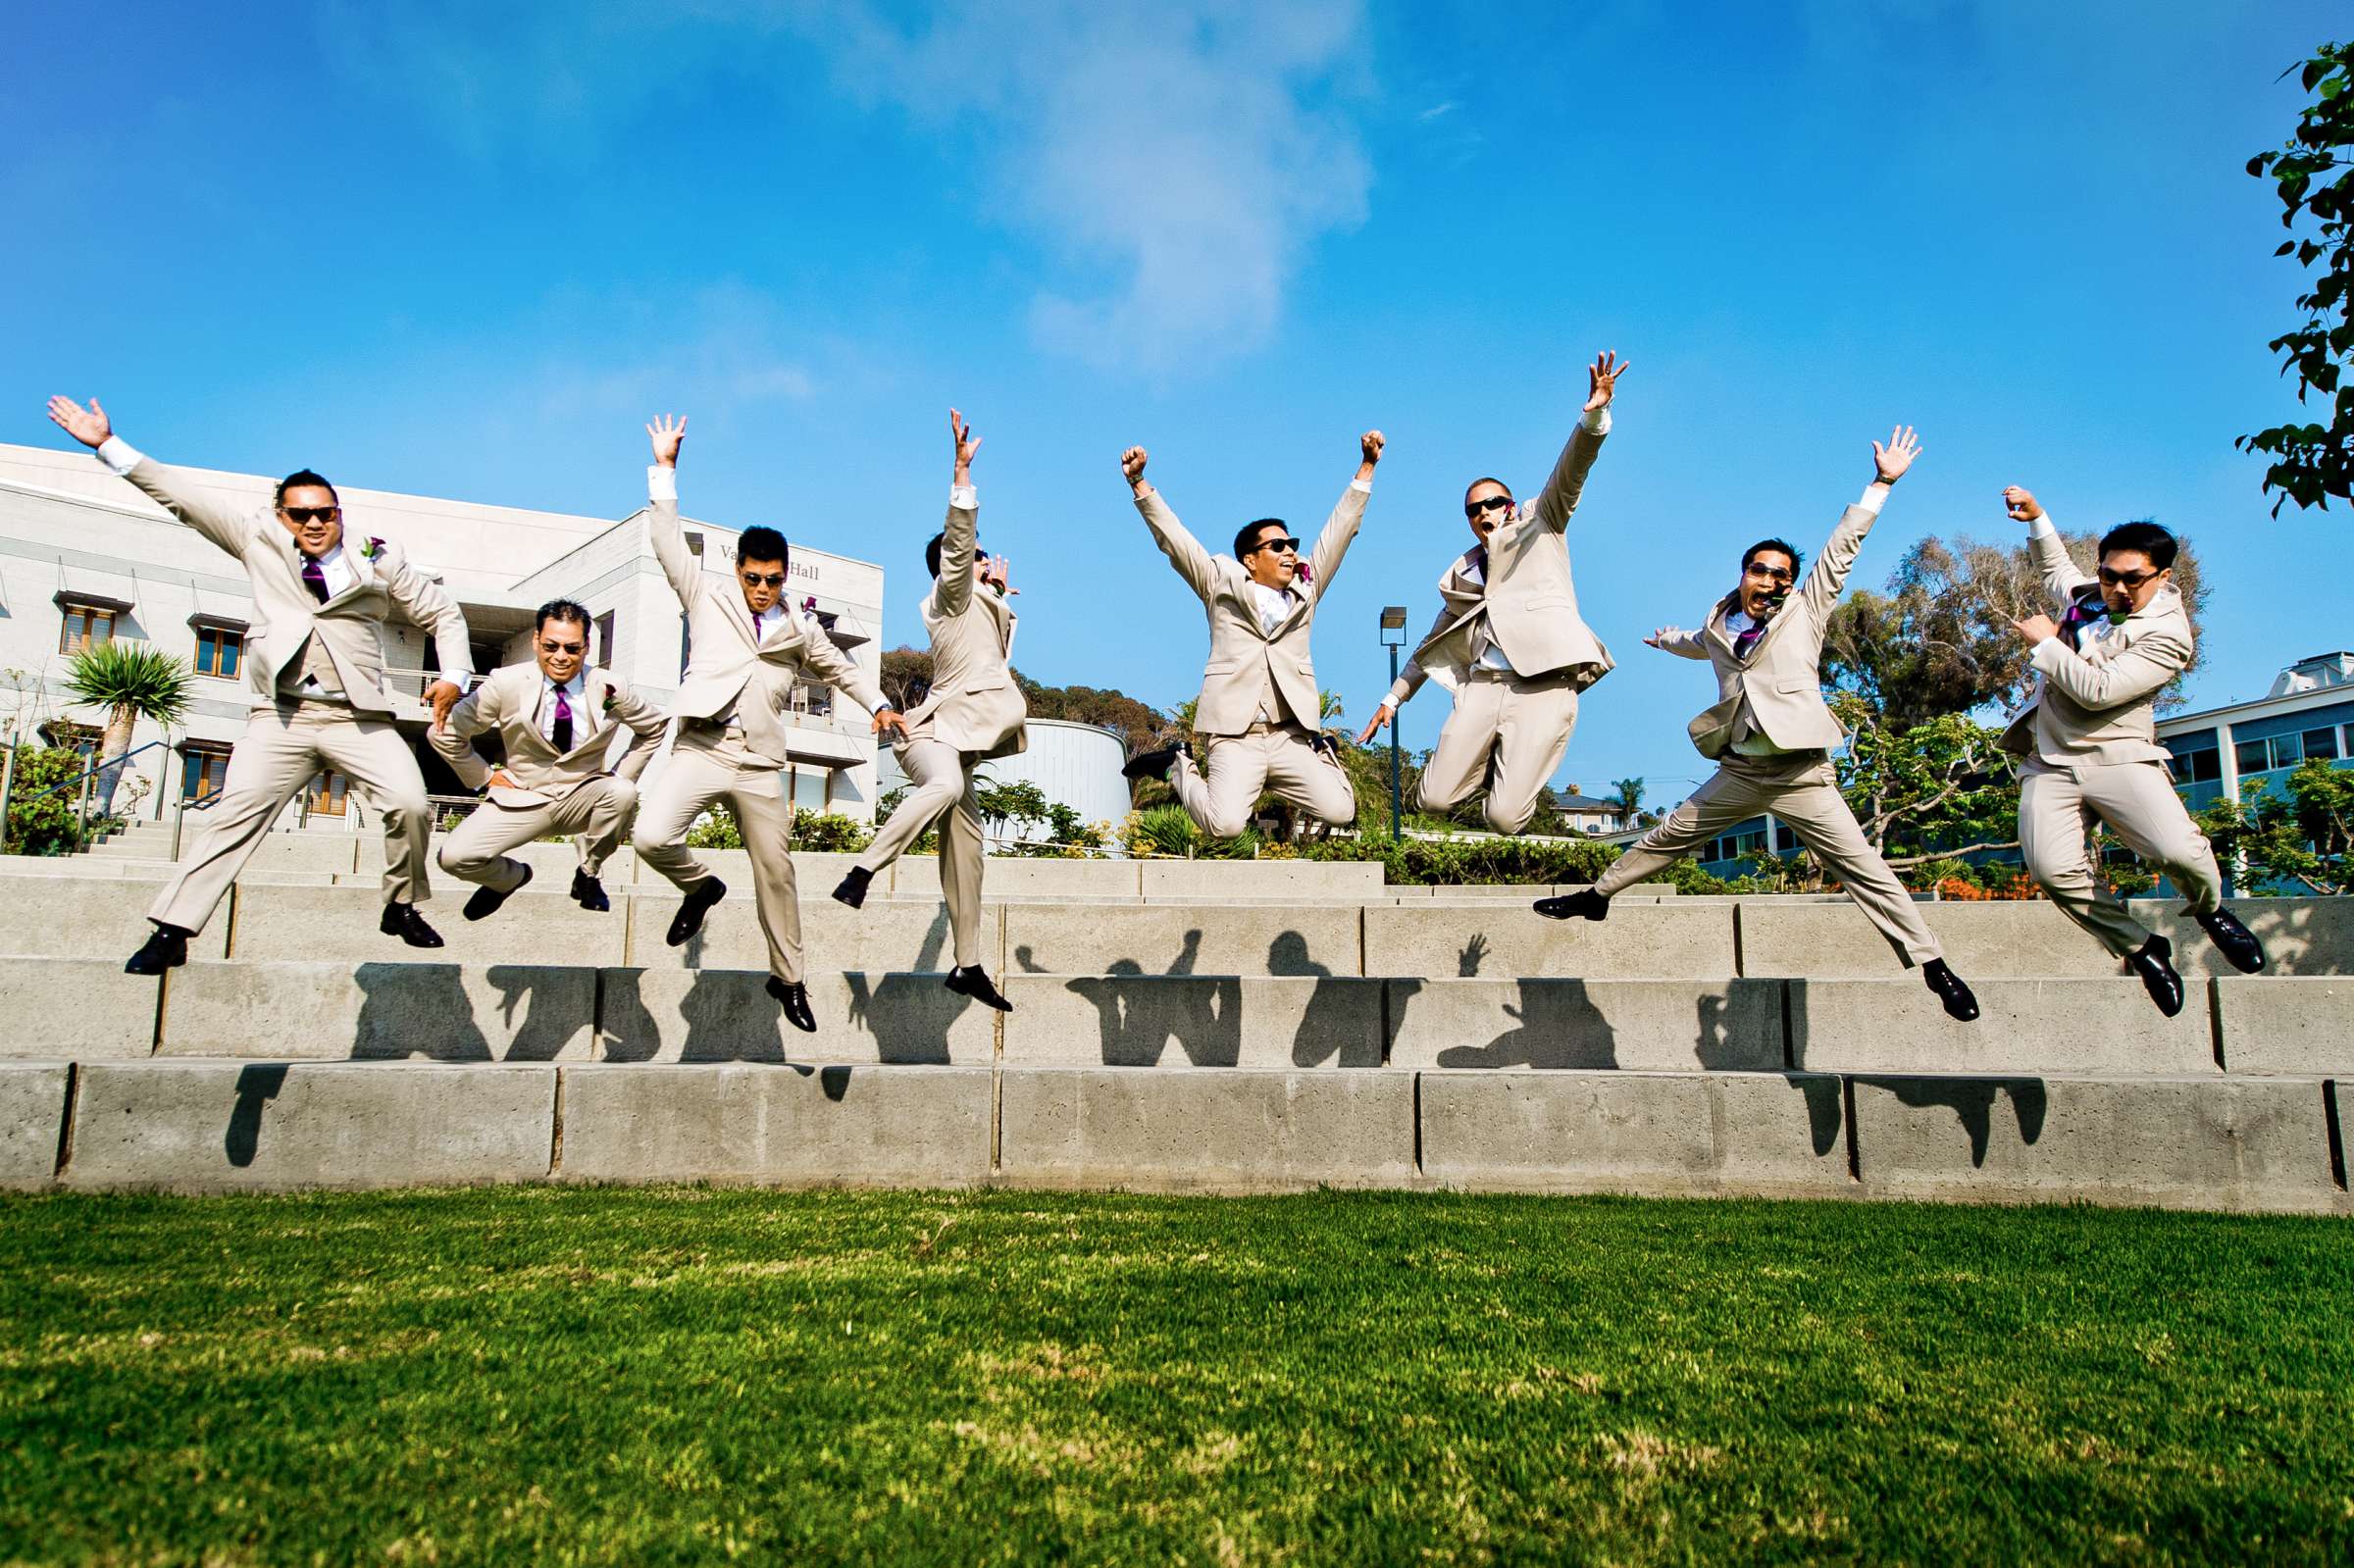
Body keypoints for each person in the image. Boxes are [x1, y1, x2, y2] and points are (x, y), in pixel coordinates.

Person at [1535, 427, 1980, 1023]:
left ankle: (1934, 967)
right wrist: (1666, 641)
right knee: (1670, 834)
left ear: (1791, 583)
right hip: (1741, 769)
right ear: (1744, 573)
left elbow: (1843, 549)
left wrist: (1880, 484)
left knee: (1864, 870)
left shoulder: (1807, 609)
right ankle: (1598, 897)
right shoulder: (1719, 623)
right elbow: (1699, 643)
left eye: (1780, 575)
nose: (1770, 581)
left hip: (1801, 774)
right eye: (1760, 571)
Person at [44, 395, 469, 974]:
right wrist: (107, 446)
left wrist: (452, 675)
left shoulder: (377, 556)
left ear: (339, 513)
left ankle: (401, 907)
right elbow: (183, 498)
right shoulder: (256, 540)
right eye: (301, 514)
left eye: (326, 512)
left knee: (411, 803)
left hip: (358, 717)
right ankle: (172, 930)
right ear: (280, 516)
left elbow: (443, 614)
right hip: (282, 716)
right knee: (234, 814)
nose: (315, 522)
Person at [629, 415, 905, 1034]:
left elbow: (841, 669)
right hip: (701, 747)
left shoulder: (800, 628)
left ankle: (789, 978)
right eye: (752, 577)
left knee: (776, 871)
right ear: (738, 570)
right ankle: (699, 889)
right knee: (650, 837)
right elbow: (667, 542)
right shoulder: (707, 597)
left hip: (758, 760)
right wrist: (665, 470)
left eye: (772, 580)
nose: (760, 588)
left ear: (785, 575)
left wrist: (880, 704)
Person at [1997, 488, 2264, 1013]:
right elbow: (2058, 571)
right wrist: (2038, 518)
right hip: (2050, 760)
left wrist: (2047, 643)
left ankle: (2209, 909)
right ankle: (2142, 948)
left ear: (2162, 577)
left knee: (2175, 852)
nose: (2117, 588)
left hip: (2117, 756)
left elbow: (2099, 693)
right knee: (2052, 872)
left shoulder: (2169, 634)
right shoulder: (2092, 595)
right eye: (2108, 576)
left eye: (2131, 580)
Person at [1356, 351, 1625, 833]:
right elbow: (1427, 648)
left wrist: (1595, 413)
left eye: (1493, 504)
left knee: (1503, 818)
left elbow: (1573, 470)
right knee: (1433, 800)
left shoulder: (1543, 524)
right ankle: (1485, 758)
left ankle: (1508, 775)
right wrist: (1392, 701)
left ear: (1509, 504)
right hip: (1482, 687)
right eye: (1473, 509)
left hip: (1543, 684)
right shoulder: (1461, 577)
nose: (1484, 513)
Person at [831, 410, 1020, 1012]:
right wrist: (962, 475)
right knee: (941, 786)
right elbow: (959, 550)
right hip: (929, 735)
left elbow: (987, 667)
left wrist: (1001, 602)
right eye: (977, 559)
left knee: (968, 855)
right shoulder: (949, 594)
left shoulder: (983, 606)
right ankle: (863, 870)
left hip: (961, 740)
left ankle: (967, 965)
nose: (986, 562)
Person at [1119, 430, 1386, 837]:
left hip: (1289, 738)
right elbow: (1174, 541)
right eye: (1277, 546)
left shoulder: (1305, 591)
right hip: (1235, 736)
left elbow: (1340, 533)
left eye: (1292, 544)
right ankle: (1177, 764)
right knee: (1223, 826)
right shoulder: (1219, 581)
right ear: (1250, 558)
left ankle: (1325, 751)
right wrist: (1140, 485)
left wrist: (1367, 467)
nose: (1290, 552)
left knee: (1341, 810)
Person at [430, 598, 668, 919]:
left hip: (582, 797)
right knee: (454, 858)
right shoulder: (506, 683)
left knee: (622, 792)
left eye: (571, 649)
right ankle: (509, 879)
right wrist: (485, 776)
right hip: (522, 797)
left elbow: (654, 727)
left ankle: (588, 874)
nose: (560, 657)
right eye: (550, 646)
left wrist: (619, 774)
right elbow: (444, 732)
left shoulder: (610, 686)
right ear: (535, 641)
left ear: (586, 648)